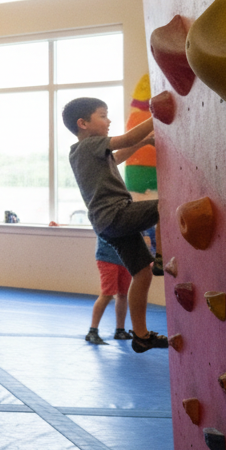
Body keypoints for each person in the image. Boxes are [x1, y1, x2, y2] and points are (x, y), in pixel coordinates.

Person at [63, 97, 165, 352]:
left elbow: (117, 156)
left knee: (141, 272)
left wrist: (144, 143)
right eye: (103, 116)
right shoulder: (90, 145)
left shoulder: (82, 152)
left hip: (107, 224)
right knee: (166, 206)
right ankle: (162, 258)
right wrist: (156, 115)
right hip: (116, 215)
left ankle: (141, 336)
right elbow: (126, 139)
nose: (108, 121)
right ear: (83, 123)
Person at [86, 237, 132, 344]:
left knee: (123, 294)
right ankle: (92, 331)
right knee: (107, 294)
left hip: (125, 259)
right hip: (107, 258)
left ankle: (120, 330)